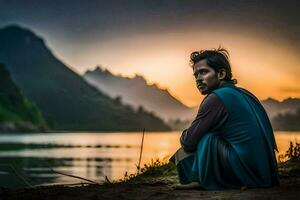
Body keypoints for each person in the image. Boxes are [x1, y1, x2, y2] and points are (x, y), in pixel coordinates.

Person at [170, 47, 280, 190]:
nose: (198, 79)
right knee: (208, 137)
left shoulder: (216, 98)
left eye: (204, 72)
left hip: (248, 174)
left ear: (221, 74)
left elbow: (189, 142)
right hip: (264, 173)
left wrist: (185, 134)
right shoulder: (244, 93)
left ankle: (200, 180)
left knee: (206, 139)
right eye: (195, 75)